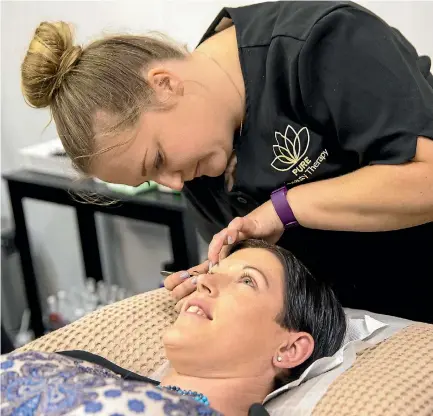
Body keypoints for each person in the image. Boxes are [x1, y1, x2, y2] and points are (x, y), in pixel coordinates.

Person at [21, 1, 433, 322]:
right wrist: (222, 280)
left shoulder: (322, 43)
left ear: (164, 84)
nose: (174, 185)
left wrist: (286, 209)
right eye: (150, 180)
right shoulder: (201, 166)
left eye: (159, 159)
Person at [1, 240, 346, 416]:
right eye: (213, 270)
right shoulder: (78, 364)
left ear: (289, 349)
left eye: (246, 281)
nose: (204, 280)